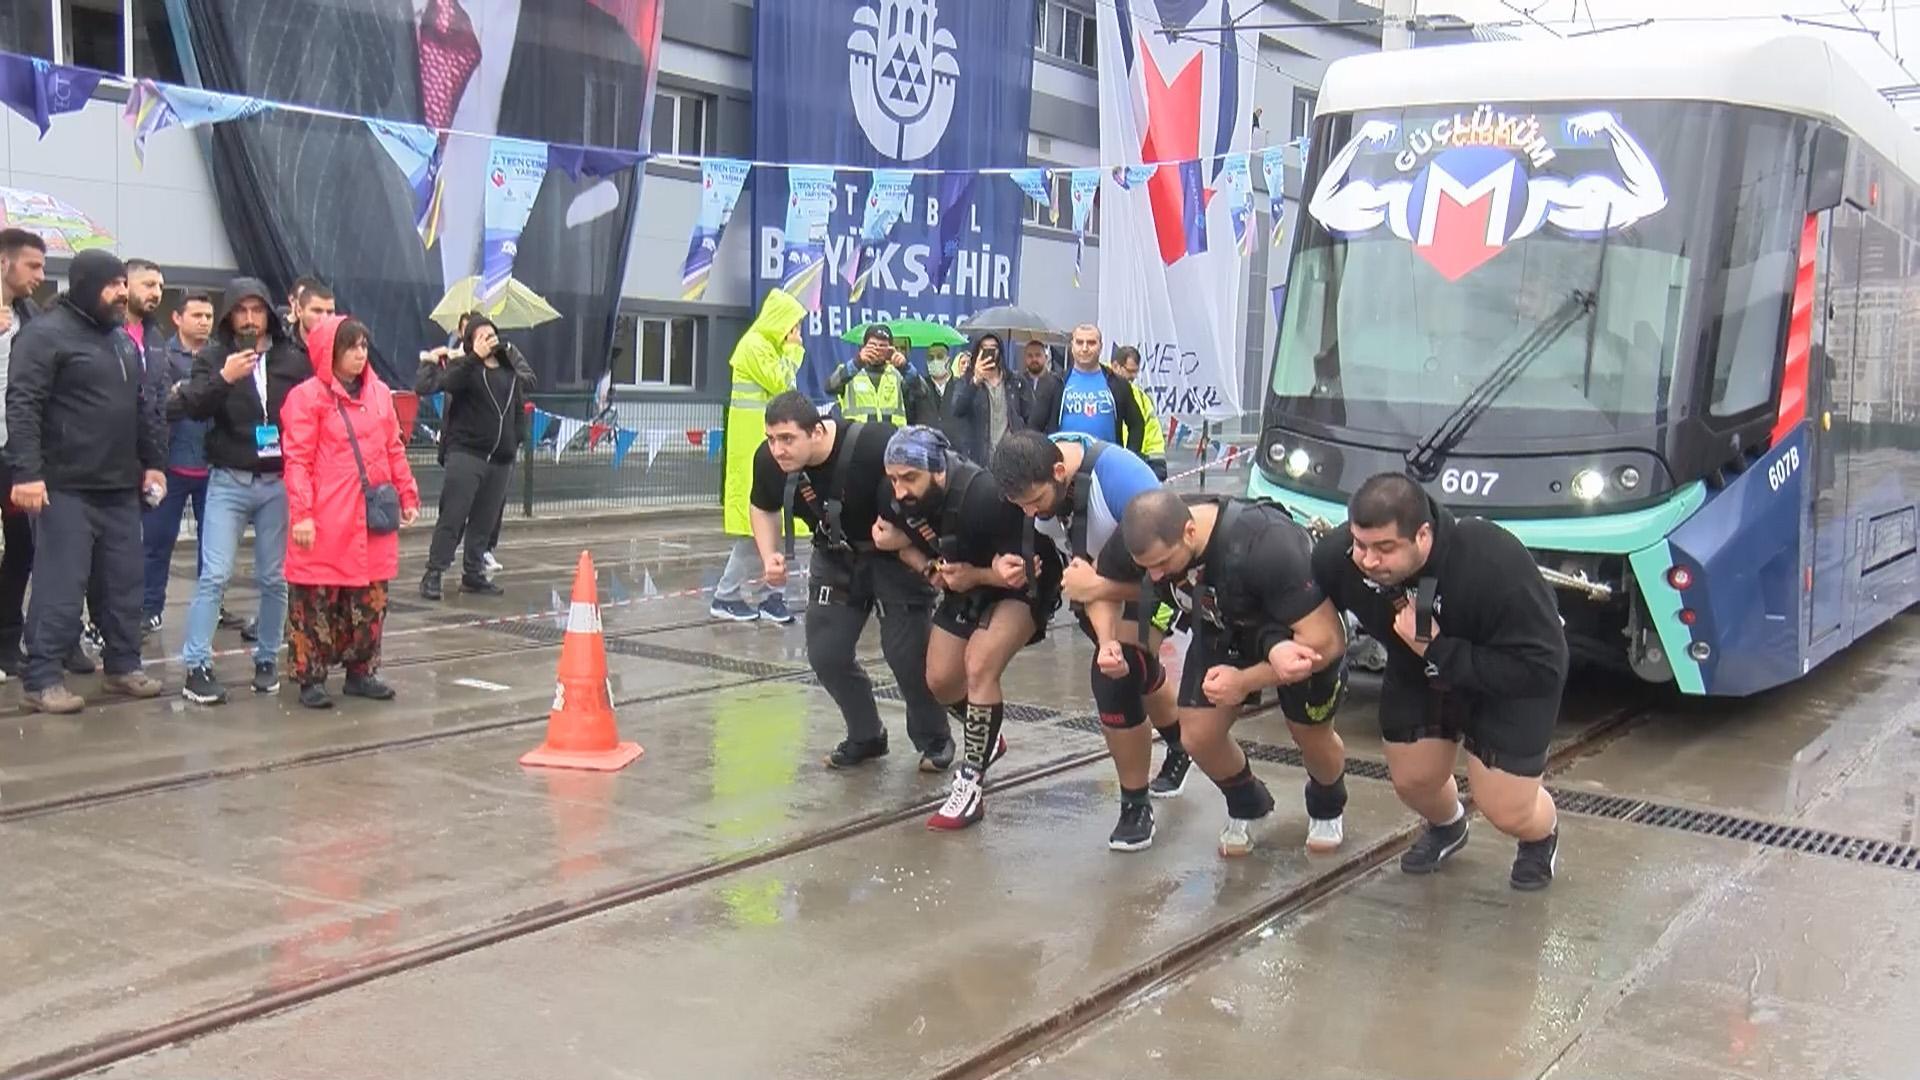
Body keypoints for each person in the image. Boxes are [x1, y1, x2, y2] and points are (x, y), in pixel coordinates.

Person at [1312, 472, 1569, 889]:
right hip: (1418, 669)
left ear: (1424, 535)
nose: (1369, 560)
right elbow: (1301, 604)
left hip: (1506, 679)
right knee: (1413, 781)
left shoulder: (1491, 558)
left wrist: (1435, 648)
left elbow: (1542, 667)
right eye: (1360, 544)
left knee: (1506, 809)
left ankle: (1541, 836)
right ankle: (1449, 826)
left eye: (1385, 548)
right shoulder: (1337, 557)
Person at [1095, 490, 1352, 856]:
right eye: (1145, 567)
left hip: (1293, 632)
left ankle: (1328, 801)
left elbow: (1327, 642)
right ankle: (1248, 801)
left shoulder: (1266, 543)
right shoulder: (1141, 542)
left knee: (1309, 733)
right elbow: (1114, 593)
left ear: (1188, 531)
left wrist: (1246, 681)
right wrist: (1111, 644)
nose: (1153, 574)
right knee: (1197, 735)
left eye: (1162, 563)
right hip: (1222, 625)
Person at [989, 430, 1189, 851]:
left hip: (1151, 584)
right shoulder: (1030, 474)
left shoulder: (1122, 483)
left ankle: (1135, 805)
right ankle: (1180, 743)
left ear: (1059, 473)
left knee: (1117, 679)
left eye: (1035, 502)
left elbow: (1173, 575)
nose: (1029, 511)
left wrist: (1099, 599)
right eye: (1019, 505)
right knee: (1135, 668)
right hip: (1091, 584)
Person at [748, 391, 950, 769]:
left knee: (906, 657)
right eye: (772, 438)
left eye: (788, 439)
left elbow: (933, 491)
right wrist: (769, 554)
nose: (778, 450)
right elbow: (762, 507)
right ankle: (866, 735)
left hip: (893, 558)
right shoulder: (769, 459)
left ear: (818, 431)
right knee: (827, 654)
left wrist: (908, 542)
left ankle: (934, 739)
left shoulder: (876, 444)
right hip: (835, 555)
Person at [3, 249, 168, 713]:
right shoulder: (44, 336)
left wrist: (153, 463)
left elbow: (143, 409)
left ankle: (122, 666)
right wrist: (28, 473)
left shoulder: (120, 340)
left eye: (122, 283)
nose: (121, 292)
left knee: (123, 584)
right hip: (64, 487)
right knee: (61, 585)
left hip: (119, 488)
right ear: (85, 285)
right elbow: (23, 405)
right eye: (112, 284)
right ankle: (40, 681)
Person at [873, 425, 1056, 828]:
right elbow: (892, 538)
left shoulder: (984, 496)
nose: (900, 490)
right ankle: (986, 736)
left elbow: (1028, 571)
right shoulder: (898, 499)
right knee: (939, 680)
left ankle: (971, 784)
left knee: (979, 663)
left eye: (910, 478)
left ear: (938, 472)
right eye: (893, 478)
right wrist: (923, 563)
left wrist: (974, 576)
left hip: (1021, 587)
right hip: (968, 582)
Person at [176, 277, 307, 705]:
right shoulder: (214, 356)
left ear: (269, 312)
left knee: (273, 577)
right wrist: (225, 378)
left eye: (257, 310)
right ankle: (197, 665)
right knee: (214, 574)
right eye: (241, 310)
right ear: (230, 315)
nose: (250, 319)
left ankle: (268, 657)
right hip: (229, 479)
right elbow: (193, 405)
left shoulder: (291, 357)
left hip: (276, 482)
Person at [281, 315, 423, 708]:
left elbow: (393, 448)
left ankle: (361, 671)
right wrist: (303, 514)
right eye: (350, 347)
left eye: (363, 346)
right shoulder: (307, 398)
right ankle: (311, 677)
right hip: (327, 517)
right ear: (330, 352)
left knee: (370, 600)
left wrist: (407, 494)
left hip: (370, 517)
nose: (360, 354)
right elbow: (297, 461)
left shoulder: (379, 394)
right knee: (315, 601)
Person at [418, 315, 534, 600]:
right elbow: (431, 385)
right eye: (479, 335)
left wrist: (516, 438)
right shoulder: (466, 369)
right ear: (470, 342)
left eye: (490, 333)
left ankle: (473, 573)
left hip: (500, 458)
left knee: (485, 520)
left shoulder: (508, 371)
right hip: (467, 453)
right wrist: (471, 358)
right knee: (453, 515)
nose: (487, 338)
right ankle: (434, 571)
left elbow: (518, 405)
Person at [714, 288, 806, 623]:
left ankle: (772, 596)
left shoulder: (766, 346)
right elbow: (783, 384)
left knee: (774, 527)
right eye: (793, 326)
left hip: (767, 448)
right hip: (754, 449)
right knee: (754, 530)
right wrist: (794, 353)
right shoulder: (754, 346)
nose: (795, 334)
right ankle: (726, 594)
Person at [142, 292, 218, 631]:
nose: (204, 321)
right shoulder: (161, 354)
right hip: (169, 465)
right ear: (178, 318)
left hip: (213, 468)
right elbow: (159, 405)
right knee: (156, 542)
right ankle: (149, 608)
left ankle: (210, 608)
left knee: (212, 549)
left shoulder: (220, 356)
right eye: (197, 315)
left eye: (208, 316)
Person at [0, 227, 47, 679]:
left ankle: (7, 641)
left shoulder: (31, 318)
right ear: (4, 263)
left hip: (14, 453)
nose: (40, 275)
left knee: (21, 548)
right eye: (32, 265)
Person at [1033, 324, 1146, 453]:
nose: (1085, 348)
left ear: (1100, 346)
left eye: (1091, 343)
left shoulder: (1118, 384)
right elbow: (1034, 428)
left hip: (1107, 463)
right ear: (1072, 346)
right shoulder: (1054, 383)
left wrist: (1130, 456)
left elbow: (1137, 424)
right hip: (1065, 465)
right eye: (1079, 342)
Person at [949, 333, 1030, 465]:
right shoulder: (966, 381)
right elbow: (957, 410)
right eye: (984, 348)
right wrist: (975, 381)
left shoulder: (1014, 381)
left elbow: (1030, 415)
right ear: (977, 351)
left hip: (1011, 457)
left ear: (1000, 351)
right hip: (979, 459)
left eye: (993, 348)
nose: (989, 353)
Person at [827, 324, 930, 427]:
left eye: (882, 346)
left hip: (892, 439)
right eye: (872, 345)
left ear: (890, 349)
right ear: (863, 347)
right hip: (858, 439)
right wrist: (858, 362)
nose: (877, 350)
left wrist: (905, 367)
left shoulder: (898, 374)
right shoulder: (850, 369)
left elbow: (923, 391)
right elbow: (829, 388)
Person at [1110, 346, 1168, 480]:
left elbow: (1152, 432)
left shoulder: (1142, 398)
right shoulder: (1102, 390)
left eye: (1136, 372)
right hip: (1111, 461)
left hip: (1135, 462)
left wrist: (1157, 462)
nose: (1133, 377)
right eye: (1130, 371)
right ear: (1115, 366)